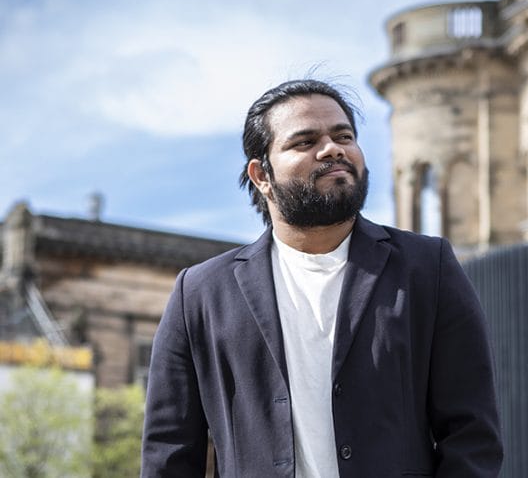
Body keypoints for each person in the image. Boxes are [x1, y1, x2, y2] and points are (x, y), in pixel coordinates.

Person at [140, 79, 503, 477]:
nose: (332, 149)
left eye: (343, 136)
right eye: (305, 141)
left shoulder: (426, 267)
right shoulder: (201, 293)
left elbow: (471, 433)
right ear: (262, 175)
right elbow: (169, 453)